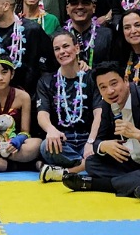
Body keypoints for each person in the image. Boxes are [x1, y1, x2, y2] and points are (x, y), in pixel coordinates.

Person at [63, 61, 140, 203]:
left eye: (114, 84)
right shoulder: (107, 104)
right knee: (92, 163)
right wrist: (104, 146)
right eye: (103, 87)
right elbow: (98, 141)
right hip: (132, 162)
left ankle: (98, 184)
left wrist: (139, 135)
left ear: (125, 80)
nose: (110, 91)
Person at [36, 31, 102, 181]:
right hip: (64, 140)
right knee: (46, 146)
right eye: (57, 49)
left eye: (66, 46)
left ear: (77, 48)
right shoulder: (46, 81)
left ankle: (66, 171)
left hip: (89, 137)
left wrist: (91, 142)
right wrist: (51, 129)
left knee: (104, 147)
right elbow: (42, 114)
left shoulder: (92, 77)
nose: (62, 52)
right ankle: (88, 165)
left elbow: (99, 113)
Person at [64, 0, 113, 67]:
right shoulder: (60, 37)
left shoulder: (108, 35)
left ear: (93, 8)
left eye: (85, 3)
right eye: (74, 3)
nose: (80, 7)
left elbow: (115, 65)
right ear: (67, 9)